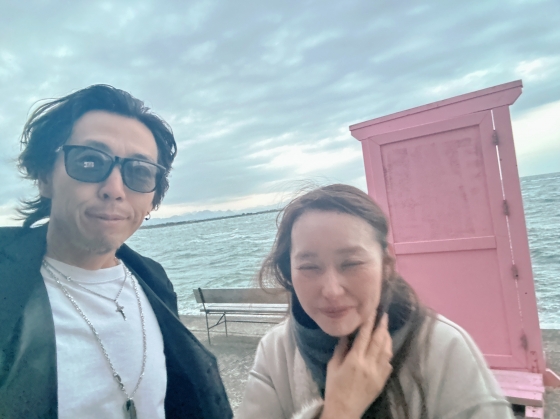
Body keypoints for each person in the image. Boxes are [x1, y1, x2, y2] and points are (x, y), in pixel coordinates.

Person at [0, 85, 232, 419]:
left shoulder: (154, 281)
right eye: (90, 161)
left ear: (153, 199)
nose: (114, 189)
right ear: (45, 177)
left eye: (139, 171)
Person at [237, 184, 514, 419]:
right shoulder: (276, 352)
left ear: (386, 264)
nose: (332, 290)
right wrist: (340, 410)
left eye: (351, 263)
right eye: (309, 267)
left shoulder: (443, 347)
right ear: (289, 272)